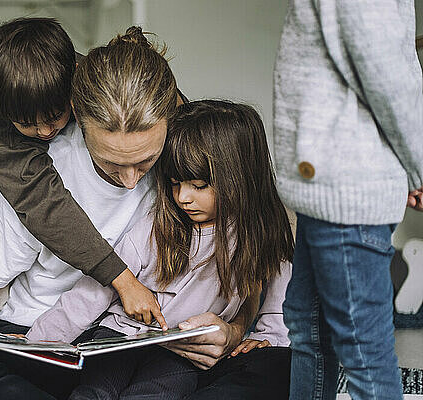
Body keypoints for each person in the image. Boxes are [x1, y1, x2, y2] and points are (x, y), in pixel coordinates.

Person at [0, 26, 180, 400]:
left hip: (128, 346)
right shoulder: (25, 172)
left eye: (145, 161)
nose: (130, 181)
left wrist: (236, 326)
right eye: (111, 164)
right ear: (82, 112)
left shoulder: (183, 158)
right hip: (41, 338)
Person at [25, 100, 295, 400]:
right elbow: (92, 293)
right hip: (120, 337)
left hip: (181, 354)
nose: (182, 197)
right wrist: (37, 341)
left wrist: (268, 337)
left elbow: (279, 297)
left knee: (157, 393)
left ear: (241, 178)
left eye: (198, 185)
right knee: (95, 391)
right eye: (175, 183)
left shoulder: (261, 232)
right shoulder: (157, 224)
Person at [0, 18, 164, 327]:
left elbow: (155, 97)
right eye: (27, 124)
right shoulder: (4, 138)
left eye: (55, 116)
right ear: (2, 109)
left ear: (72, 76)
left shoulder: (83, 73)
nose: (45, 131)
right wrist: (121, 278)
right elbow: (46, 207)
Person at [273, 1, 423, 399]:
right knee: (308, 329)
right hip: (324, 186)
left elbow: (388, 75)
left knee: (363, 350)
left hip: (344, 184)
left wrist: (418, 164)